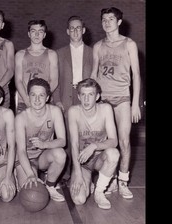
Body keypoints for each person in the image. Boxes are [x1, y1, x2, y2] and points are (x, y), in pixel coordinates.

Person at [90, 7, 142, 199]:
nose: (107, 22)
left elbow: (136, 75)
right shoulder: (98, 46)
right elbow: (94, 74)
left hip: (122, 99)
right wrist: (89, 96)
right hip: (102, 99)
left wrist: (135, 103)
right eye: (104, 19)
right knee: (105, 143)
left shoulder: (129, 44)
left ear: (119, 22)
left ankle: (123, 181)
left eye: (111, 19)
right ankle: (108, 179)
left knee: (124, 141)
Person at [52, 15, 93, 183]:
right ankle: (67, 172)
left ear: (83, 30)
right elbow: (54, 80)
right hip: (66, 97)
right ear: (67, 31)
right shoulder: (59, 53)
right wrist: (57, 100)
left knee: (85, 133)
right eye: (72, 28)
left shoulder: (92, 51)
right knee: (68, 136)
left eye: (78, 28)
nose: (75, 31)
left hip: (86, 97)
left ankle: (85, 169)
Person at [68, 78, 119, 209]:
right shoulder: (73, 112)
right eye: (83, 95)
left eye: (90, 95)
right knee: (79, 199)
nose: (86, 99)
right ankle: (88, 180)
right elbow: (74, 145)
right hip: (82, 162)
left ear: (97, 96)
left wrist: (94, 146)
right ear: (78, 96)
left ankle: (99, 191)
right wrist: (78, 174)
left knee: (113, 153)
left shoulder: (106, 109)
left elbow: (114, 141)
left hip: (99, 159)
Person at [14, 78, 66, 202]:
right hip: (25, 159)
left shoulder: (55, 111)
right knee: (31, 193)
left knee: (60, 154)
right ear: (28, 97)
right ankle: (18, 174)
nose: (37, 99)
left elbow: (62, 141)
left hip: (43, 157)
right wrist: (30, 174)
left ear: (47, 97)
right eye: (33, 95)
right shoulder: (21, 118)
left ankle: (50, 185)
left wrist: (44, 144)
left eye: (41, 95)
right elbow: (21, 151)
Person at [15, 20, 58, 114]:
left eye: (41, 31)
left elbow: (54, 80)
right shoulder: (20, 54)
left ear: (44, 35)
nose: (37, 34)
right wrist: (27, 99)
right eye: (33, 31)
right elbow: (18, 80)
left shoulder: (51, 54)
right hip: (25, 100)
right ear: (29, 34)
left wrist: (41, 98)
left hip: (45, 101)